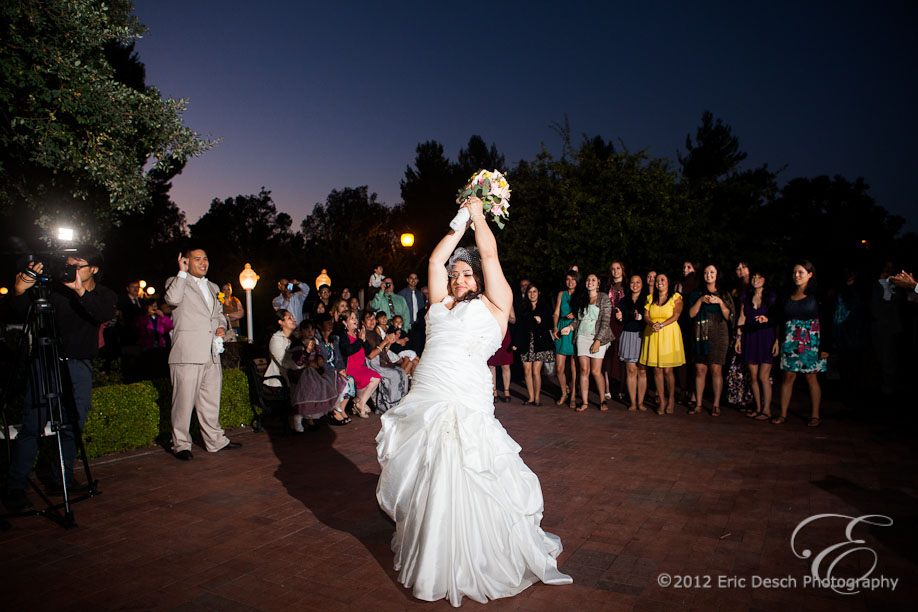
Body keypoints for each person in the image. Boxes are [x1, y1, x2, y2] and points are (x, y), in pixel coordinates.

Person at [376, 196, 572, 606]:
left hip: (465, 392)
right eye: (455, 275)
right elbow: (434, 261)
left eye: (466, 275)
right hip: (428, 392)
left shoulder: (495, 304)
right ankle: (434, 547)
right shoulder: (439, 302)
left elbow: (488, 251)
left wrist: (480, 216)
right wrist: (460, 220)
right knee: (431, 466)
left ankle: (476, 555)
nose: (458, 279)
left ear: (479, 279)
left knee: (466, 462)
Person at [2, 251, 117, 512]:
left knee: (73, 425)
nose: (73, 268)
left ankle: (60, 478)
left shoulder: (104, 294)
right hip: (46, 362)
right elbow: (19, 310)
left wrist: (79, 291)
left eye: (79, 265)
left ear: (94, 269)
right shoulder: (54, 291)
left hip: (79, 365)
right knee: (33, 425)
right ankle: (15, 487)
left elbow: (101, 313)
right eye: (69, 265)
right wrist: (19, 290)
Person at [165, 248, 240, 461]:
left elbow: (218, 315)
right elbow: (172, 299)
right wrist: (181, 273)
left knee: (210, 399)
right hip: (187, 352)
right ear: (186, 262)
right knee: (183, 402)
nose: (203, 262)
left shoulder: (213, 286)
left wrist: (221, 327)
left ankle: (215, 440)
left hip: (211, 352)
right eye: (197, 259)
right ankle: (181, 444)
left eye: (205, 259)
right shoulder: (175, 281)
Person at [771, 261, 829, 427]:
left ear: (810, 274)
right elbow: (779, 319)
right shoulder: (787, 295)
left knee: (811, 376)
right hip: (790, 339)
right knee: (788, 376)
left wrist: (825, 347)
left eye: (801, 272)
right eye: (795, 272)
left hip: (811, 340)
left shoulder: (818, 295)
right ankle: (782, 414)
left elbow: (826, 320)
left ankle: (815, 415)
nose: (796, 275)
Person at [687, 265, 734, 416]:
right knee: (700, 369)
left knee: (716, 369)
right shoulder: (697, 292)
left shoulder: (724, 293)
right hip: (700, 333)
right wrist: (701, 300)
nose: (709, 275)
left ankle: (715, 404)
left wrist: (720, 302)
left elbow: (730, 316)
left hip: (719, 333)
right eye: (706, 272)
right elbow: (691, 314)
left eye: (712, 272)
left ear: (717, 275)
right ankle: (699, 403)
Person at [561, 273, 613, 411]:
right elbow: (578, 320)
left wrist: (598, 341)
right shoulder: (581, 298)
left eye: (593, 280)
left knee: (596, 371)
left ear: (598, 283)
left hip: (598, 336)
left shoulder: (603, 298)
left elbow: (606, 322)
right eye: (588, 280)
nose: (590, 282)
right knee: (584, 370)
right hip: (582, 336)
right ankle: (584, 402)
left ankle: (602, 400)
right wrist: (570, 327)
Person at [639, 272, 686, 415]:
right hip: (653, 333)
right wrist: (652, 323)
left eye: (662, 279)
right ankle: (662, 399)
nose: (659, 282)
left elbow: (676, 315)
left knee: (667, 370)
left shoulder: (675, 297)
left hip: (668, 334)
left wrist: (662, 325)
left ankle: (671, 398)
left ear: (668, 282)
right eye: (657, 280)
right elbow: (646, 315)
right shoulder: (650, 298)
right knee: (656, 370)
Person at [735, 271, 776, 420]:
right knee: (753, 376)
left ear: (765, 279)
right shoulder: (746, 297)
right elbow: (742, 317)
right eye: (754, 277)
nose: (755, 280)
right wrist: (738, 338)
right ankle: (758, 407)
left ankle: (767, 410)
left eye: (759, 277)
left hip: (766, 336)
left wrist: (777, 340)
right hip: (750, 336)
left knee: (763, 376)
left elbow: (776, 317)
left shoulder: (770, 297)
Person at [513, 283, 555, 405]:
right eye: (530, 292)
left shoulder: (544, 307)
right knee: (527, 371)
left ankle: (537, 398)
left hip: (540, 343)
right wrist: (516, 343)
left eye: (534, 291)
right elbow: (519, 327)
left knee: (536, 371)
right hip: (526, 342)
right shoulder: (523, 307)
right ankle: (530, 397)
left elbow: (550, 324)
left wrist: (541, 321)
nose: (532, 294)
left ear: (538, 293)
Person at [340, 309, 381, 418]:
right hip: (350, 367)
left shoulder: (358, 333)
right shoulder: (343, 335)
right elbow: (348, 351)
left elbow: (368, 351)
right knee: (374, 378)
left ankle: (360, 403)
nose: (355, 320)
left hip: (360, 367)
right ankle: (360, 403)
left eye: (355, 318)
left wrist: (363, 339)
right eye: (352, 318)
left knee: (377, 377)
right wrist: (359, 340)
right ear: (345, 322)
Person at [616, 274, 648, 411]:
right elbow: (621, 322)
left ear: (642, 284)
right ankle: (633, 402)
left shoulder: (647, 300)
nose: (635, 285)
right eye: (632, 282)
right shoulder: (624, 301)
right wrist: (619, 318)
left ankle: (641, 402)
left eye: (638, 282)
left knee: (642, 371)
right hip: (628, 335)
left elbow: (650, 317)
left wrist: (640, 317)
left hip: (642, 335)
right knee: (630, 370)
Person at [552, 268, 579, 407]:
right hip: (561, 327)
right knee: (559, 367)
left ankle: (573, 395)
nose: (570, 282)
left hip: (574, 329)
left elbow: (583, 311)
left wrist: (575, 314)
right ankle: (564, 392)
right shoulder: (561, 294)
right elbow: (556, 312)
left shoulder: (580, 295)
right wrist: (555, 327)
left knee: (574, 367)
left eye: (573, 279)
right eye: (568, 279)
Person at [602, 261, 627, 402]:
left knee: (621, 356)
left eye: (618, 268)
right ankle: (607, 388)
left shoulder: (628, 287)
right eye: (613, 269)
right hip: (609, 323)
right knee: (608, 356)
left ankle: (622, 389)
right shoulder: (607, 287)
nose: (616, 271)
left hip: (622, 323)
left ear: (622, 270)